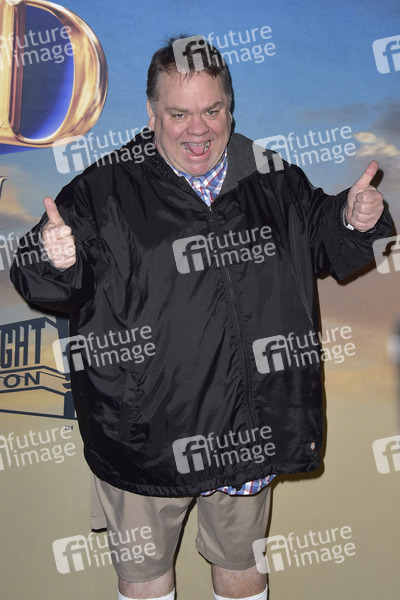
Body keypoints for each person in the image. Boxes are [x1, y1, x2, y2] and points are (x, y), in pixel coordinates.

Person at [10, 36, 392, 600]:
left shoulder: (273, 179)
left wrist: (355, 220)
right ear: (151, 113)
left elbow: (325, 241)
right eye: (178, 114)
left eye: (211, 110)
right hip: (145, 438)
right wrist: (53, 257)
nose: (198, 130)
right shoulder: (103, 190)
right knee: (145, 583)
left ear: (229, 108)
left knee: (242, 575)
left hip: (245, 431)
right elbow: (39, 272)